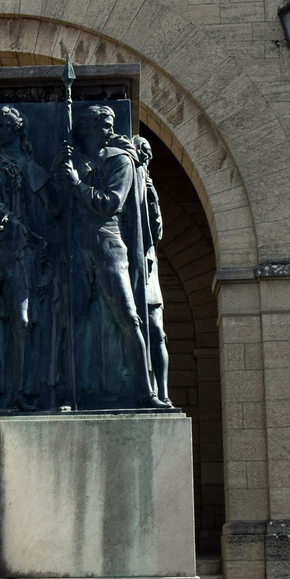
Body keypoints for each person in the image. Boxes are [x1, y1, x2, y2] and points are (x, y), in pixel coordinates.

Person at [58, 105, 171, 409]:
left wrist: (77, 184)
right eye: (104, 125)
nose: (110, 130)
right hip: (77, 248)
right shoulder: (76, 160)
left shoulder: (120, 160)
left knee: (129, 318)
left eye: (110, 124)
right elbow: (55, 207)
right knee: (73, 320)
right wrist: (66, 169)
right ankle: (69, 394)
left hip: (108, 244)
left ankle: (145, 392)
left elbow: (111, 202)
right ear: (88, 128)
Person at [0, 106, 52, 409]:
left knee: (22, 321)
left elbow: (54, 208)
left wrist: (66, 171)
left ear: (18, 129)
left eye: (4, 125)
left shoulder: (30, 167)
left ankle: (23, 393)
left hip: (22, 255)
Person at [135, 135, 172, 407]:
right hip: (129, 266)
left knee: (157, 331)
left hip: (148, 268)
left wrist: (151, 194)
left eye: (149, 154)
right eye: (143, 152)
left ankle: (163, 392)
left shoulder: (148, 188)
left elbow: (157, 230)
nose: (147, 157)